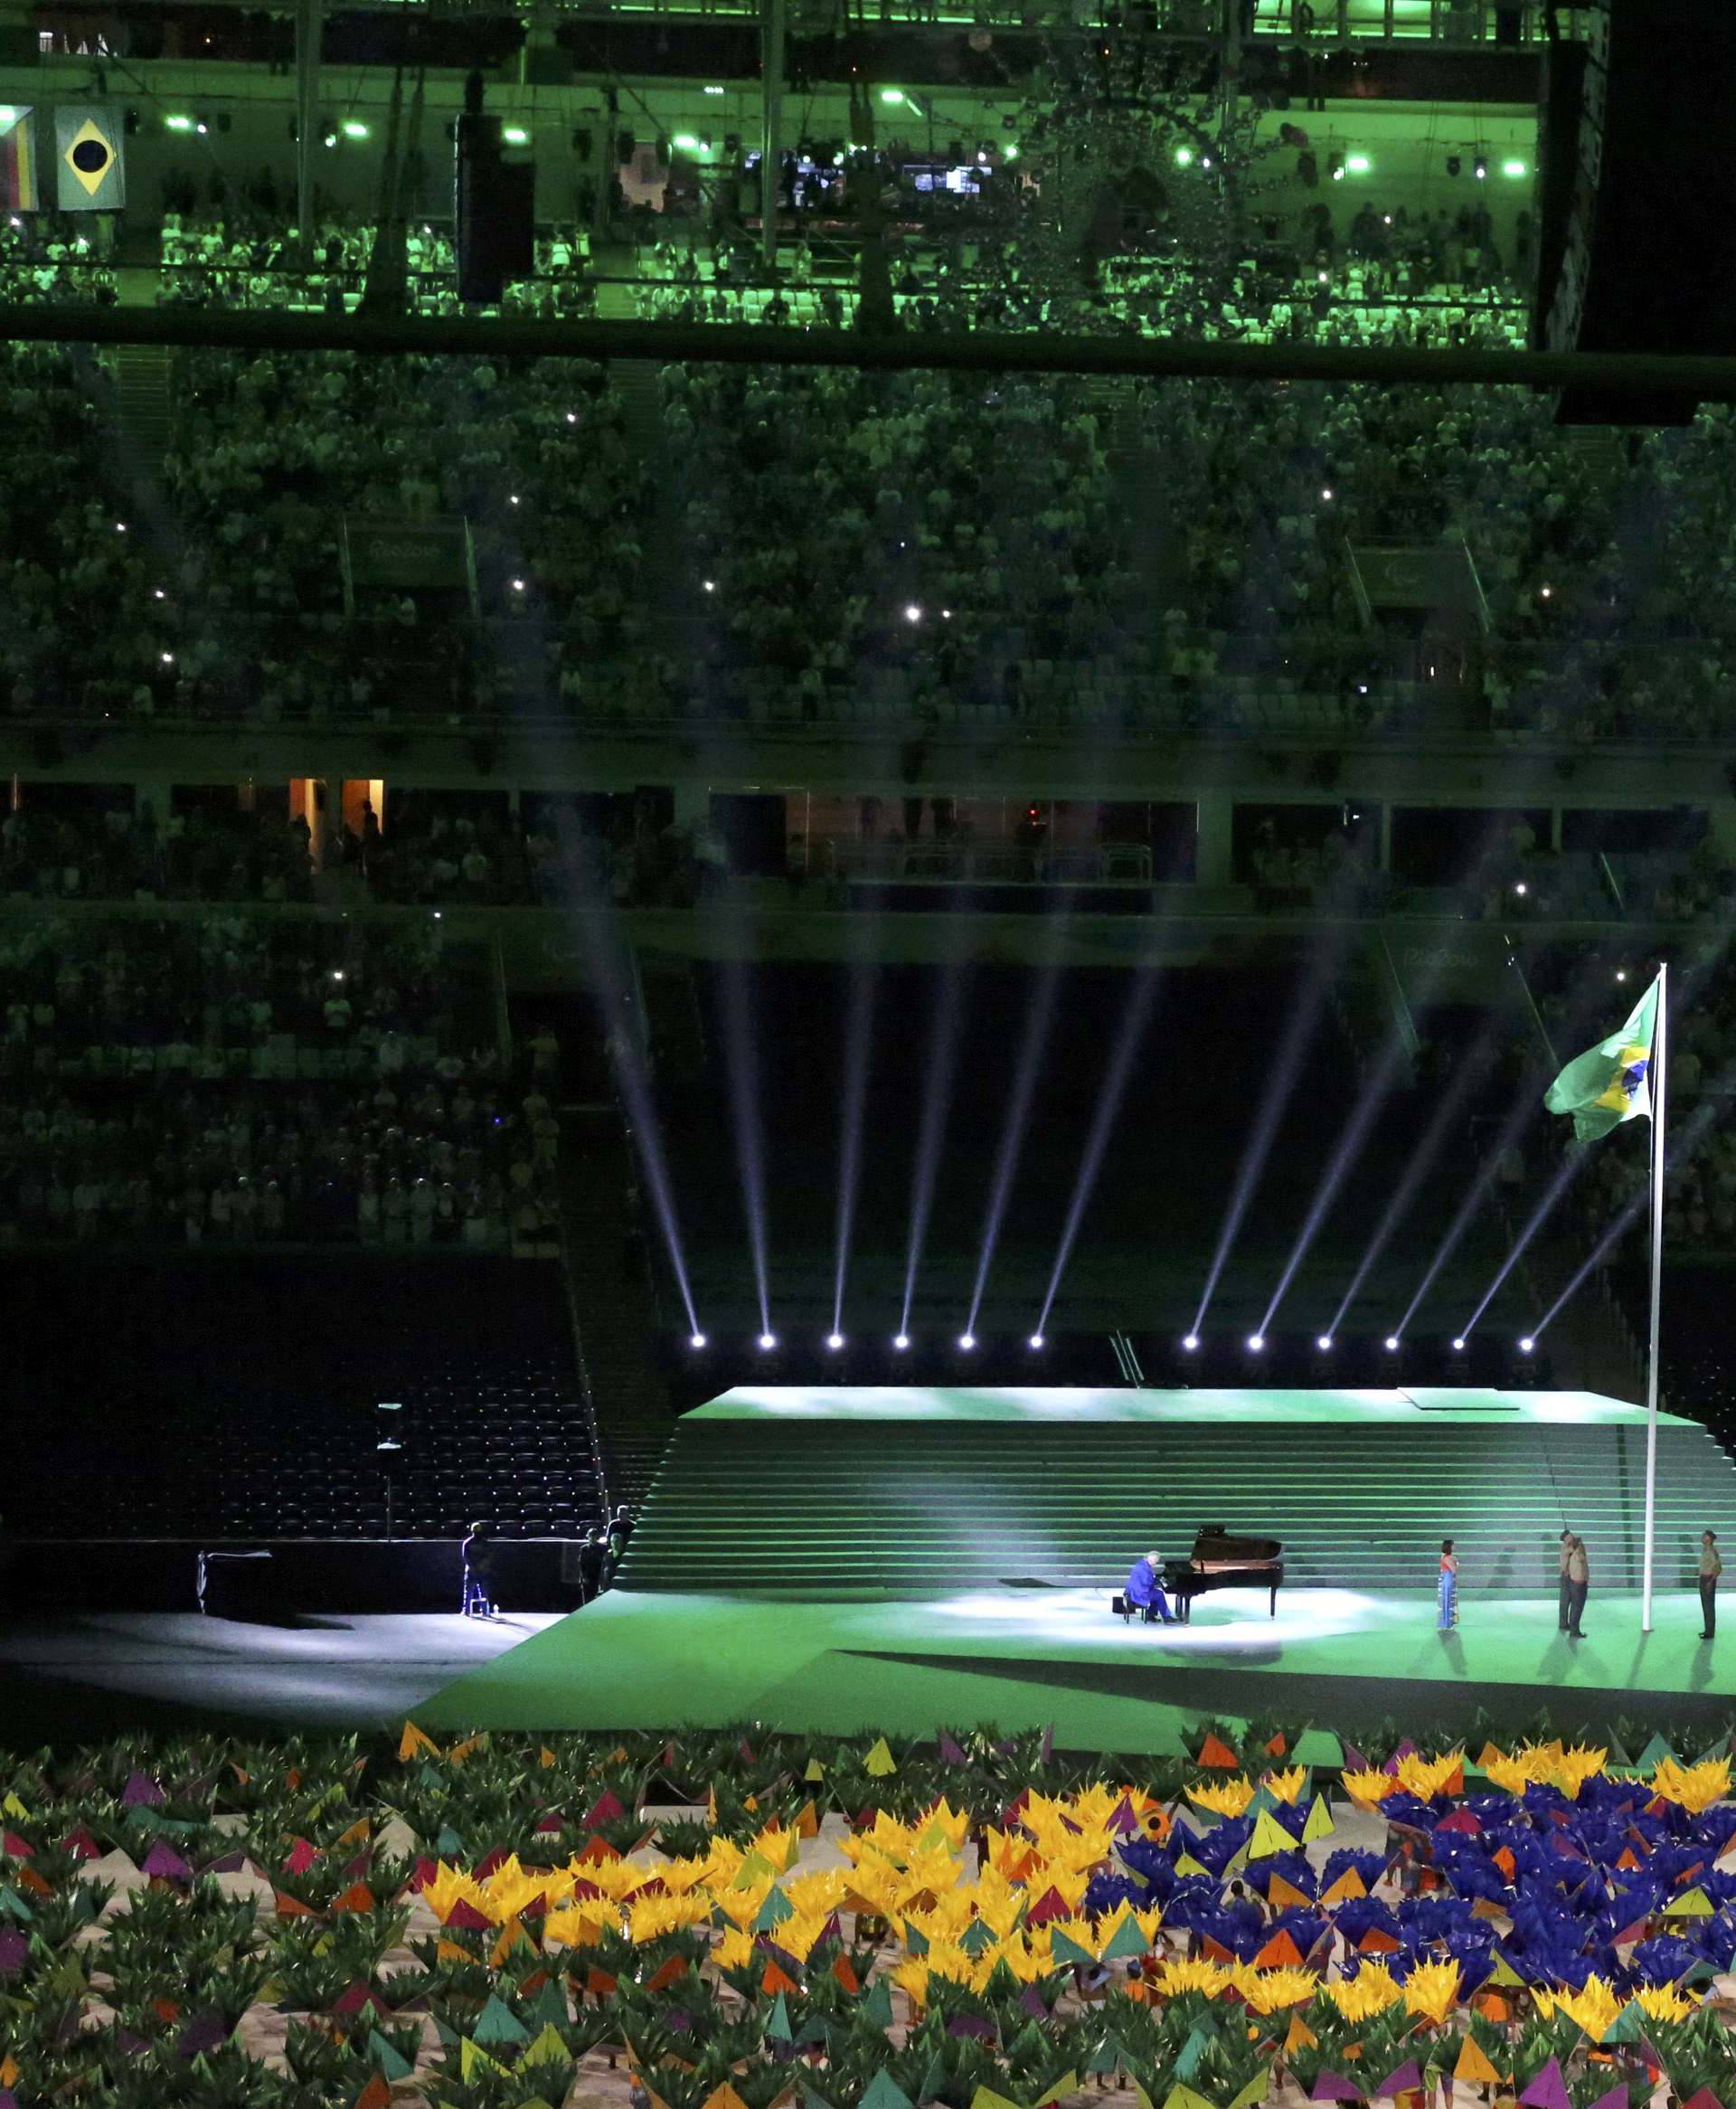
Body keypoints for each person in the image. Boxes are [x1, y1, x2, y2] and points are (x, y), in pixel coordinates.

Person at [1126, 1549, 1175, 1625]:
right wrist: (1158, 1580)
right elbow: (1147, 1582)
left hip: (1135, 1590)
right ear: (1152, 1559)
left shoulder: (1141, 1563)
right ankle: (1166, 1616)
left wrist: (1156, 1579)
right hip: (1139, 1593)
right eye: (1156, 1561)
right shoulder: (1144, 1568)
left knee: (1155, 1593)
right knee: (1159, 1594)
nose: (1156, 1563)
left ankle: (1151, 1615)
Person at [461, 1518, 495, 1618]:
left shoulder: (467, 1543)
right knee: (483, 1591)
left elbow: (465, 1557)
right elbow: (488, 1556)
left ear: (472, 1531)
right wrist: (482, 1566)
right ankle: (484, 1611)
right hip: (482, 1571)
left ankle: (467, 1610)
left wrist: (473, 1567)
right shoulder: (485, 1543)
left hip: (472, 1571)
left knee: (469, 1591)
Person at [1565, 1533, 1589, 1639]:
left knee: (1575, 1608)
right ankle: (1574, 1631)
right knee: (1577, 1608)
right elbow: (1581, 1558)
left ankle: (1574, 1630)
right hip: (1578, 1584)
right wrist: (1580, 1547)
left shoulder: (1572, 1552)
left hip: (1577, 1583)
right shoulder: (1577, 1553)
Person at [1700, 1529, 1722, 1639]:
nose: (1702, 1537)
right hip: (1704, 1578)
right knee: (1706, 1605)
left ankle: (1710, 1632)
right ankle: (1707, 1630)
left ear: (1709, 1538)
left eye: (1704, 1536)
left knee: (1709, 1606)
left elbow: (1718, 1569)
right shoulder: (1705, 1550)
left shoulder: (1712, 1552)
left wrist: (1710, 1581)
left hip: (1708, 1580)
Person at [575, 1525, 606, 1603]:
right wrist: (584, 1577)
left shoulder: (602, 1548)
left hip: (598, 1576)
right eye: (590, 1536)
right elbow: (581, 1564)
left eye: (594, 1536)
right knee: (586, 1598)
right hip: (587, 1577)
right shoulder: (583, 1549)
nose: (592, 1538)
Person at [1437, 1538, 1458, 1630]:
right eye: (1453, 1545)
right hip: (1448, 1579)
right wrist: (1456, 1562)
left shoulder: (1446, 1557)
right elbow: (1454, 1570)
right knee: (1447, 1600)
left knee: (1448, 1600)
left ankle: (1447, 1623)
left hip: (1448, 1578)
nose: (1454, 1547)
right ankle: (1446, 1623)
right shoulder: (1447, 1558)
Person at [1557, 1529, 1575, 1631]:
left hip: (1569, 1576)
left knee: (1568, 1600)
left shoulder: (1566, 1547)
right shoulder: (1565, 1547)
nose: (1572, 1537)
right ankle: (1563, 1623)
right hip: (1565, 1576)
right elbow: (1573, 1549)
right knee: (1565, 1600)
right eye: (1570, 1536)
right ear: (1565, 1538)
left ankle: (1565, 1622)